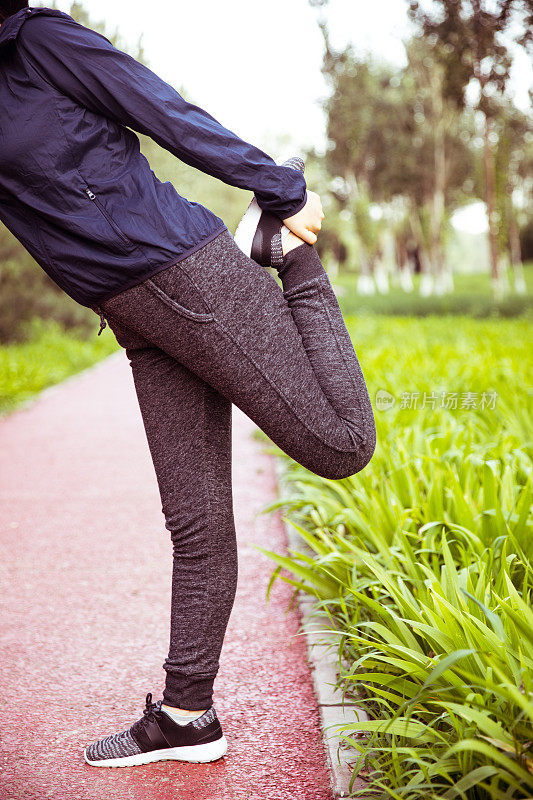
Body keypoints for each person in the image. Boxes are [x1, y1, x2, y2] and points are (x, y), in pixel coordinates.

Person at [0, 1, 377, 768]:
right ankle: (186, 716)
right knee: (196, 523)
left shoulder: (38, 40)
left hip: (181, 271)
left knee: (341, 445)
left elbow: (158, 106)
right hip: (133, 310)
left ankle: (287, 255)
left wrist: (275, 187)